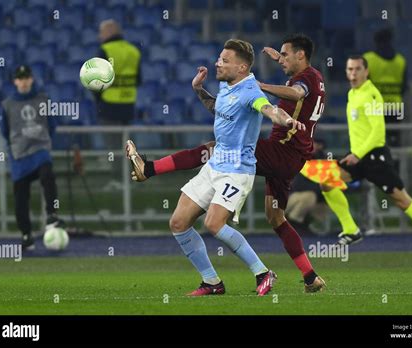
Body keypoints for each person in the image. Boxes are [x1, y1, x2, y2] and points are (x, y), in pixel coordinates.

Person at [127, 34, 327, 293]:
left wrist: (266, 96)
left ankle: (149, 168)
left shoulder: (303, 79)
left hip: (283, 151)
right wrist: (200, 90)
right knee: (275, 217)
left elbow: (281, 103)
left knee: (217, 149)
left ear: (301, 55)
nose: (280, 59)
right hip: (285, 156)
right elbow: (224, 110)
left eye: (285, 54)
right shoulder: (240, 87)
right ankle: (310, 277)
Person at [319, 55, 412, 268]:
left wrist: (358, 154)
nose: (353, 73)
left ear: (366, 72)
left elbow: (378, 133)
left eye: (357, 69)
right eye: (349, 69)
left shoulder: (371, 94)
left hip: (374, 157)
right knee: (326, 181)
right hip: (359, 157)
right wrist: (356, 155)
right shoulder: (353, 93)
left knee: (402, 200)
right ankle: (351, 230)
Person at [0, 65, 64, 250]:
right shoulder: (7, 105)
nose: (24, 81)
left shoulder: (43, 99)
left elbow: (52, 125)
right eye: (20, 78)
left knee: (47, 173)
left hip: (39, 149)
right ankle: (26, 234)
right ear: (15, 81)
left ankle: (52, 213)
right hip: (19, 156)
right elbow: (5, 131)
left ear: (32, 79)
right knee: (21, 196)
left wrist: (42, 141)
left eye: (27, 77)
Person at [363, 28, 406, 146]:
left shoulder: (368, 59)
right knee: (394, 142)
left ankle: (376, 164)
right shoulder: (400, 61)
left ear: (375, 42)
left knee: (373, 142)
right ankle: (394, 164)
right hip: (395, 107)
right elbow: (404, 87)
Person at [96, 19, 141, 125]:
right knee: (127, 140)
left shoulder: (104, 50)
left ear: (108, 32)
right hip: (129, 105)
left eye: (101, 32)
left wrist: (98, 101)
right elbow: (139, 80)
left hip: (109, 107)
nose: (99, 36)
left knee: (112, 141)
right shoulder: (133, 51)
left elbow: (96, 82)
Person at [285, 140, 328, 235]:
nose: (317, 146)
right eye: (315, 142)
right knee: (310, 196)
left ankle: (305, 224)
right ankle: (292, 222)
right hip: (285, 199)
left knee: (326, 198)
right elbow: (298, 185)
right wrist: (320, 187)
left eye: (319, 144)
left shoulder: (323, 159)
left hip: (307, 196)